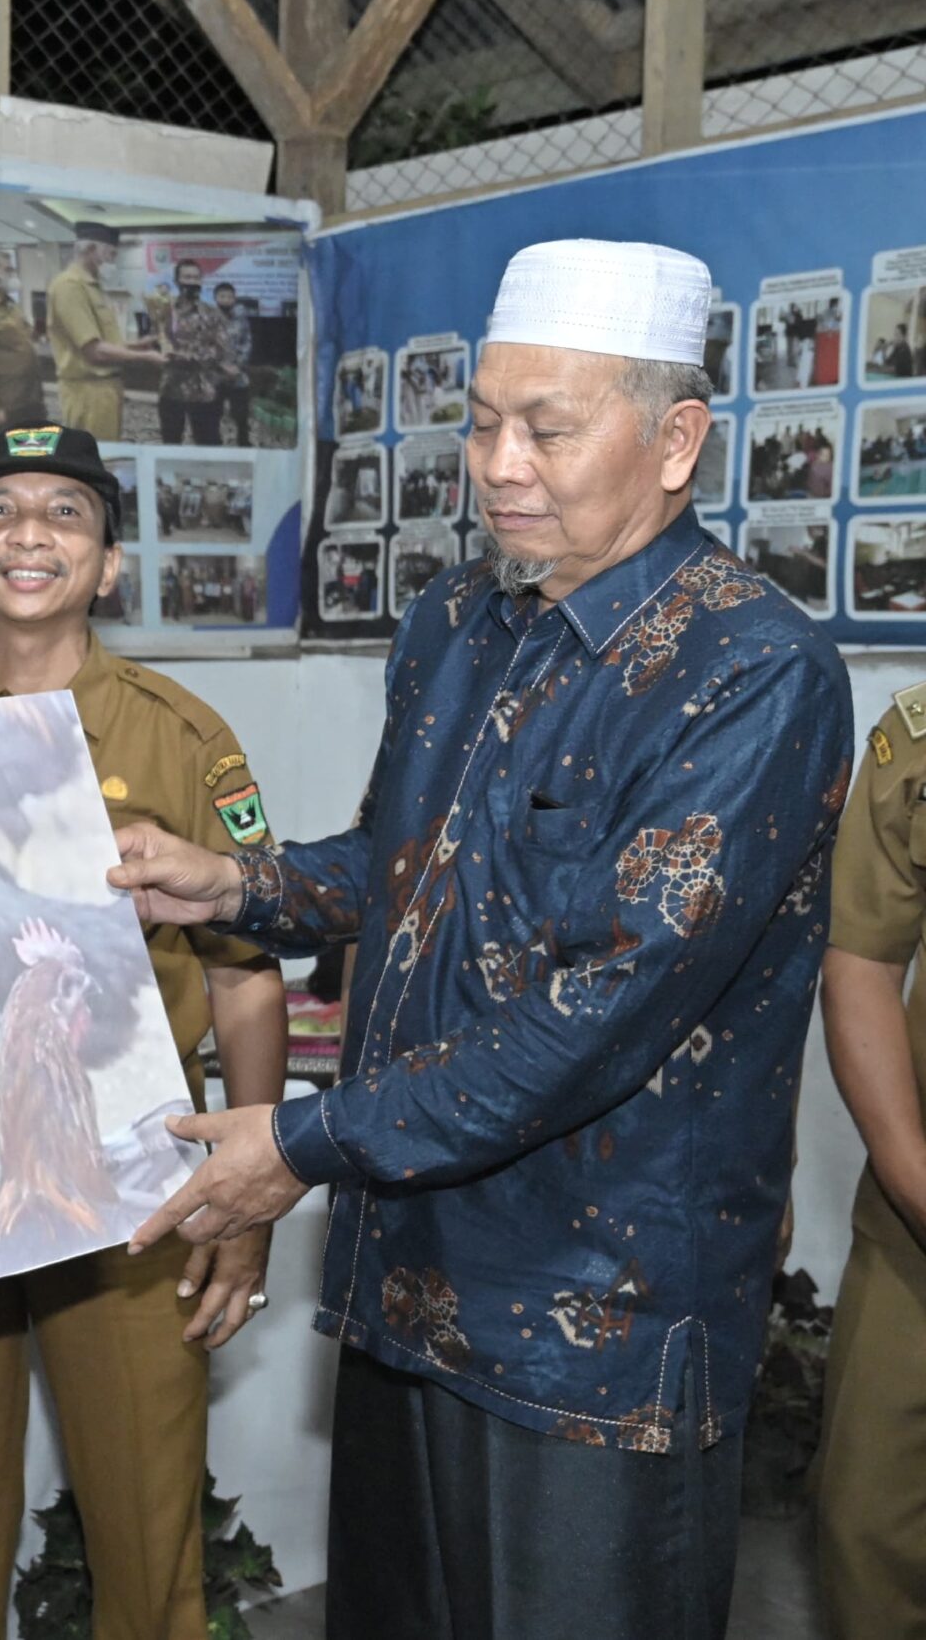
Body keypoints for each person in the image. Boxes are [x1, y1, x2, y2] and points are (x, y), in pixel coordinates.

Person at [111, 240, 852, 1640]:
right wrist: (237, 886)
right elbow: (412, 868)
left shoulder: (752, 670)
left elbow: (602, 1009)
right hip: (413, 1270)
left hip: (600, 1324)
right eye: (485, 419)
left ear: (676, 438)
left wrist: (300, 1142)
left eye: (549, 428)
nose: (499, 463)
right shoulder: (460, 615)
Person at [0, 422, 287, 1640]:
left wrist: (247, 1184)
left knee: (148, 1520)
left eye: (64, 513)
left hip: (136, 1175)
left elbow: (248, 977)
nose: (29, 535)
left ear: (107, 564)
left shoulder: (181, 733)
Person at [818, 681, 926, 1640]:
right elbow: (862, 961)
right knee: (867, 1527)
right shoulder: (919, 738)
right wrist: (909, 1171)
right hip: (917, 1230)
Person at [47, 222, 160, 442]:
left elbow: (102, 340)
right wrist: (145, 357)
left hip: (104, 389)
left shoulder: (92, 286)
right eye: (111, 254)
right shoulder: (69, 286)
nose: (113, 261)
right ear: (90, 250)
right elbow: (94, 351)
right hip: (88, 392)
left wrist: (135, 346)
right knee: (95, 457)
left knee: (107, 453)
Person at [156, 261, 231, 446]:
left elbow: (221, 348)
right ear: (176, 280)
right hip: (172, 388)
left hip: (204, 390)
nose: (192, 281)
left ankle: (207, 476)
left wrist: (188, 357)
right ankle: (171, 475)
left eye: (196, 277)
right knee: (170, 441)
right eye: (187, 277)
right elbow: (158, 338)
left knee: (208, 442)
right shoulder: (165, 311)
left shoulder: (212, 313)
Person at [0, 251, 49, 429]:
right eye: (8, 270)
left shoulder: (10, 304)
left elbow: (28, 336)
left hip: (31, 398)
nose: (13, 275)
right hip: (6, 405)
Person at [215, 282, 256, 446]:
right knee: (213, 414)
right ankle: (213, 444)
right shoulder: (208, 317)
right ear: (215, 298)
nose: (226, 300)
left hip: (238, 375)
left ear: (235, 299)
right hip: (215, 375)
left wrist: (238, 366)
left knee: (241, 414)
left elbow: (247, 342)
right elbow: (206, 345)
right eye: (222, 296)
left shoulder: (241, 317)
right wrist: (221, 367)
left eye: (230, 296)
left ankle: (244, 442)